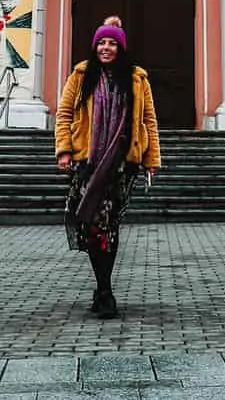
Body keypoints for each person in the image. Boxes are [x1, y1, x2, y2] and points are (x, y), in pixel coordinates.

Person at [54, 16, 161, 318]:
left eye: (112, 43)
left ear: (121, 48)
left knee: (108, 228)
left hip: (122, 164)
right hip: (87, 161)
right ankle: (104, 287)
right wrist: (63, 150)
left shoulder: (137, 78)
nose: (106, 47)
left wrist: (151, 160)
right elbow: (64, 113)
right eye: (102, 42)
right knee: (91, 226)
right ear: (95, 46)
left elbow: (148, 121)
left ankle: (104, 290)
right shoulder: (81, 75)